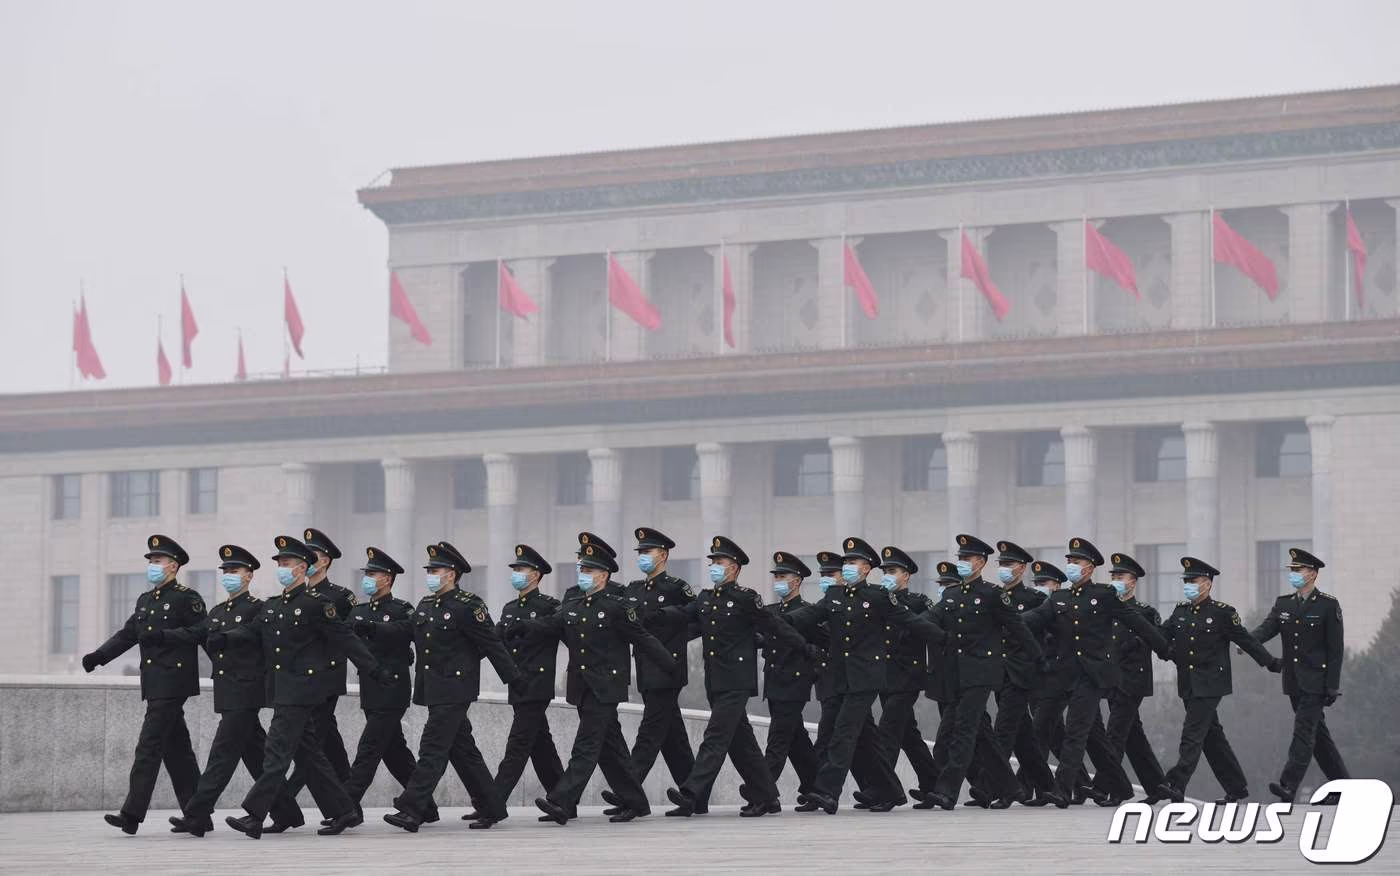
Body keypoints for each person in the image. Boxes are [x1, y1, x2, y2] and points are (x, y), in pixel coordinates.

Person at [224, 536, 389, 839]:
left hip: (301, 690)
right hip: (281, 688)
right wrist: (227, 637)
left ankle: (254, 814)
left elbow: (345, 637)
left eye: (286, 564)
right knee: (310, 755)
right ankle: (344, 811)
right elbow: (253, 630)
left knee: (275, 754)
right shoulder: (275, 605)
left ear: (301, 569)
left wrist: (372, 668)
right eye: (279, 564)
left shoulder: (316, 604)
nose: (281, 568)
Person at [510, 540, 676, 825]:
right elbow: (551, 624)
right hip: (582, 686)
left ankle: (561, 800)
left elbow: (643, 638)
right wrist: (523, 626)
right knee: (610, 748)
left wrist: (670, 665)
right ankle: (635, 802)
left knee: (586, 746)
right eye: (582, 568)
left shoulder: (617, 607)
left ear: (603, 575)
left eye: (589, 569)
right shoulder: (573, 605)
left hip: (607, 686)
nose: (582, 573)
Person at [784, 536, 945, 815]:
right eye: (845, 562)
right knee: (866, 739)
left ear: (867, 568)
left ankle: (827, 792)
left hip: (866, 677)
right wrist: (771, 621)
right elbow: (806, 616)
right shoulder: (834, 596)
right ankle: (891, 791)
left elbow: (912, 622)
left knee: (844, 733)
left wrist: (947, 639)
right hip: (840, 678)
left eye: (853, 562)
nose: (847, 566)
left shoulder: (878, 596)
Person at [660, 536, 813, 817]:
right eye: (713, 562)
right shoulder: (706, 598)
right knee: (741, 743)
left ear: (734, 568)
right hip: (714, 680)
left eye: (719, 562)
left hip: (737, 681)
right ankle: (767, 796)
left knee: (715, 736)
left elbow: (775, 626)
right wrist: (652, 616)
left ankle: (691, 793)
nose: (714, 566)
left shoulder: (745, 598)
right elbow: (684, 617)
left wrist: (806, 648)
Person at [382, 541, 521, 832]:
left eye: (435, 569)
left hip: (455, 688)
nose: (430, 574)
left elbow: (491, 643)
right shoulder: (426, 604)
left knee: (432, 747)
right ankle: (492, 807)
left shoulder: (468, 606)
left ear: (451, 574)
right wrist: (372, 629)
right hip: (433, 687)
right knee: (463, 751)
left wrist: (513, 679)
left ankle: (411, 809)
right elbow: (405, 631)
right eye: (429, 569)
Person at [163, 544, 301, 837]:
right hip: (227, 693)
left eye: (234, 570)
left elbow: (253, 641)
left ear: (249, 575)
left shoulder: (258, 608)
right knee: (256, 756)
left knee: (221, 756)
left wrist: (226, 641)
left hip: (246, 692)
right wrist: (161, 636)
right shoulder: (216, 611)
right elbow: (199, 635)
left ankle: (196, 815)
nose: (228, 575)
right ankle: (287, 811)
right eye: (225, 571)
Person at [1021, 537, 1168, 809]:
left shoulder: (1103, 595)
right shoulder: (1059, 598)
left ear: (1089, 568)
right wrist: (1003, 624)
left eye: (1076, 562)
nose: (1071, 566)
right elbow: (1034, 619)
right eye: (1069, 561)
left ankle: (1063, 789)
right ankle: (1122, 787)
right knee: (1060, 729)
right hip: (1062, 674)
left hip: (1093, 676)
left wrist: (1164, 648)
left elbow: (1135, 622)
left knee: (1077, 730)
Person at [83, 534, 203, 835]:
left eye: (157, 561)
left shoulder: (187, 599)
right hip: (154, 683)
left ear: (173, 566)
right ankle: (198, 814)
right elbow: (127, 635)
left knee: (148, 746)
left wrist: (166, 637)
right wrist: (99, 656)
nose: (152, 565)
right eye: (150, 561)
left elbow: (201, 632)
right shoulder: (146, 600)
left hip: (174, 681)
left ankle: (131, 814)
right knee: (177, 750)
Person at [919, 534, 1040, 811]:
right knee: (980, 734)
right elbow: (930, 619)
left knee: (963, 731)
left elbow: (1019, 629)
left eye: (966, 558)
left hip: (982, 673)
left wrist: (1038, 659)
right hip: (957, 675)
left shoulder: (992, 595)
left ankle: (947, 791)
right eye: (959, 558)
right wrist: (909, 626)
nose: (961, 563)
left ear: (981, 562)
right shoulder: (951, 595)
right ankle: (1011, 788)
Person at [1155, 556, 1281, 804]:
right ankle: (1236, 787)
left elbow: (1246, 640)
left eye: (1194, 580)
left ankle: (1176, 783)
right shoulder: (1180, 611)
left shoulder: (1222, 613)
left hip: (1211, 684)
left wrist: (1271, 662)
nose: (1189, 584)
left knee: (1192, 734)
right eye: (1186, 581)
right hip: (1188, 683)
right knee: (1212, 738)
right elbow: (1162, 636)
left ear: (1208, 584)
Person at [335, 547, 440, 826]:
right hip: (370, 689)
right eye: (366, 573)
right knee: (395, 752)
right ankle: (426, 807)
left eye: (373, 574)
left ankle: (346, 809)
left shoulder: (401, 609)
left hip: (393, 689)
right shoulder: (357, 611)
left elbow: (407, 630)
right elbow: (344, 638)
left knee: (368, 750)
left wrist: (374, 630)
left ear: (387, 579)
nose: (367, 579)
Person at [600, 527, 697, 817]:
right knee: (672, 736)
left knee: (649, 732)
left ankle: (629, 793)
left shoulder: (677, 588)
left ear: (663, 555)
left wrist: (674, 638)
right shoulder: (633, 590)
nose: (643, 557)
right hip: (644, 667)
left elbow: (698, 615)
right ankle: (696, 794)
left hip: (668, 669)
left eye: (647, 552)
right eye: (640, 552)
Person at [1251, 547, 1349, 803]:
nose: (1294, 574)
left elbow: (1335, 650)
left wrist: (1332, 686)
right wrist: (1246, 642)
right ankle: (1347, 791)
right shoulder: (1284, 604)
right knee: (1318, 739)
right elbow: (1267, 628)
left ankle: (1288, 785)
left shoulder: (1328, 605)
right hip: (1293, 681)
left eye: (1299, 570)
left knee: (1304, 732)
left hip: (1317, 683)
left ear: (1313, 574)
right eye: (1292, 570)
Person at [488, 544, 564, 812]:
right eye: (515, 569)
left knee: (517, 745)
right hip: (517, 683)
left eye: (521, 569)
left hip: (537, 684)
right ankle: (564, 797)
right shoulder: (508, 608)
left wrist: (528, 627)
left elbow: (557, 625)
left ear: (535, 575)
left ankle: (493, 802)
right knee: (540, 744)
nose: (516, 573)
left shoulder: (549, 606)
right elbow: (496, 642)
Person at [981, 539, 1056, 807]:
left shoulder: (1035, 599)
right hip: (999, 674)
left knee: (1003, 731)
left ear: (1021, 568)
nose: (1003, 568)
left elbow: (1047, 636)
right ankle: (1048, 787)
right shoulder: (994, 597)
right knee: (1024, 737)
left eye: (1008, 564)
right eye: (1000, 564)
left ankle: (999, 790)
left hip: (1023, 675)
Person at [1090, 551, 1166, 806]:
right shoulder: (1107, 610)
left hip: (1133, 681)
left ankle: (1107, 787)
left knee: (1115, 734)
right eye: (1113, 576)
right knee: (1134, 737)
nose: (1115, 580)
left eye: (1120, 576)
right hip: (1112, 680)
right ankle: (1158, 787)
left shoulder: (1144, 612)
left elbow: (1148, 641)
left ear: (1133, 581)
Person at [871, 546, 940, 807]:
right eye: (885, 571)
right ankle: (933, 783)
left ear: (906, 576)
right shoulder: (878, 601)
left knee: (887, 731)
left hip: (908, 677)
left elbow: (932, 631)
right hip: (883, 677)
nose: (887, 576)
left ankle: (884, 790)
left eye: (892, 571)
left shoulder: (919, 602)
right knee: (908, 735)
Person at [757, 551, 821, 801]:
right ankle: (816, 787)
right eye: (776, 576)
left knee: (778, 740)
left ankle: (762, 791)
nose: (778, 581)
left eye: (783, 576)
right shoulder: (771, 611)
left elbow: (824, 645)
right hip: (774, 681)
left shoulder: (808, 613)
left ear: (797, 581)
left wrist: (816, 669)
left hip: (795, 683)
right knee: (796, 740)